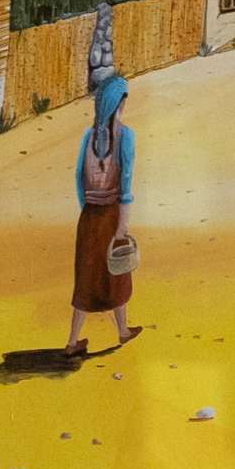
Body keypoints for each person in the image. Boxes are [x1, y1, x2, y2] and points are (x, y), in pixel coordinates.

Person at [68, 71, 136, 353]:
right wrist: (121, 227)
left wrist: (88, 209)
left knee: (85, 277)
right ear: (118, 104)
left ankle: (72, 341)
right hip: (110, 215)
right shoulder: (126, 136)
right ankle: (121, 330)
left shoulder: (87, 136)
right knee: (116, 272)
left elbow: (77, 179)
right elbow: (126, 185)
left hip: (89, 217)